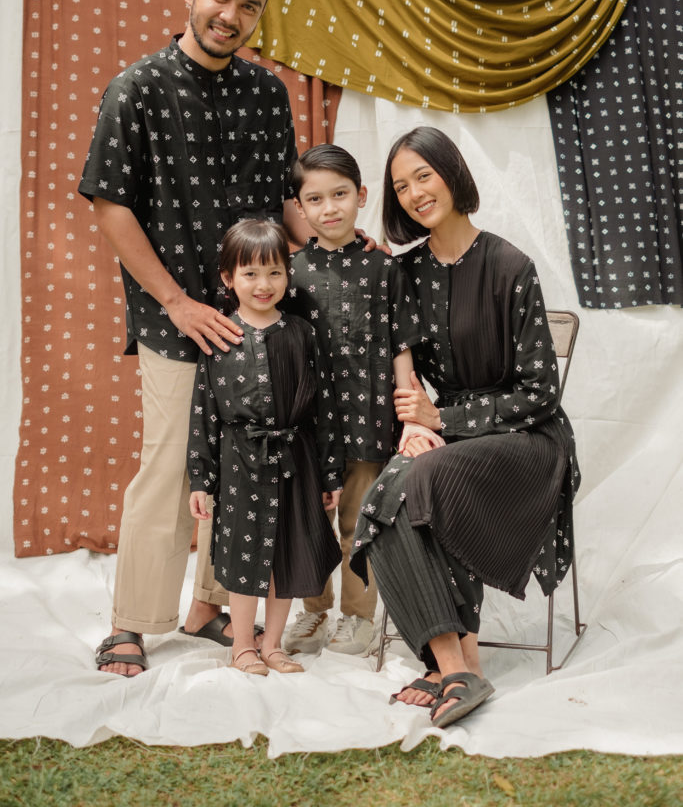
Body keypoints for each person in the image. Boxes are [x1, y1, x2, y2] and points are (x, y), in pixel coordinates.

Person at [79, 0, 310, 676]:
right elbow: (111, 205)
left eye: (249, 7)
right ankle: (130, 623)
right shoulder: (137, 88)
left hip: (256, 319)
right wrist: (176, 302)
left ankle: (211, 608)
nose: (231, 16)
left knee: (245, 467)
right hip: (174, 317)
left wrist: (333, 246)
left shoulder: (268, 94)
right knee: (171, 467)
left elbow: (285, 199)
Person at [350, 126, 581, 727]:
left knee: (416, 484)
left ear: (451, 173)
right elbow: (394, 357)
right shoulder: (404, 272)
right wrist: (417, 425)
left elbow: (540, 394)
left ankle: (453, 665)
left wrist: (443, 418)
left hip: (527, 441)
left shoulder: (510, 265)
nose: (414, 193)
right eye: (401, 186)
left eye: (423, 176)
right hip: (447, 439)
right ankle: (457, 664)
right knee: (387, 499)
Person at [282, 145, 434, 657]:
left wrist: (409, 412)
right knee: (309, 523)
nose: (330, 208)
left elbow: (401, 344)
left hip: (368, 417)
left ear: (361, 196)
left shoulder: (384, 269)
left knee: (359, 522)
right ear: (299, 208)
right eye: (315, 199)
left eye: (340, 194)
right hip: (307, 424)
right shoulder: (290, 274)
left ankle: (358, 617)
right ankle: (313, 610)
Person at [187, 219, 344, 675]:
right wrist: (201, 479)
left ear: (287, 275)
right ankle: (242, 646)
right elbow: (204, 412)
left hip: (296, 460)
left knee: (286, 555)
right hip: (240, 462)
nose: (263, 284)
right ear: (228, 277)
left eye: (274, 272)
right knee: (244, 556)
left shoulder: (302, 333)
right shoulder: (220, 336)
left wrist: (330, 473)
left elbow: (324, 407)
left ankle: (272, 645)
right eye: (250, 273)